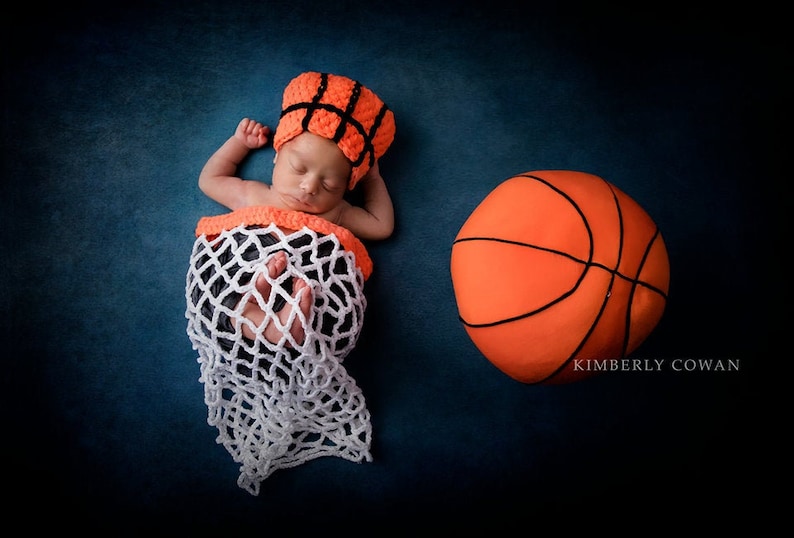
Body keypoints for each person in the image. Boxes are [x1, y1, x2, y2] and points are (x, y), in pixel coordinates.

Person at [196, 71, 396, 345]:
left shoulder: (336, 212)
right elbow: (210, 180)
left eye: (329, 185)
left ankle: (290, 320)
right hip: (249, 272)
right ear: (277, 154)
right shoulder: (253, 194)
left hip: (304, 281)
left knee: (318, 295)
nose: (310, 187)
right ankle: (260, 311)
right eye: (298, 168)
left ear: (347, 186)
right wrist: (239, 144)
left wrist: (372, 178)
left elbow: (381, 226)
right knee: (228, 294)